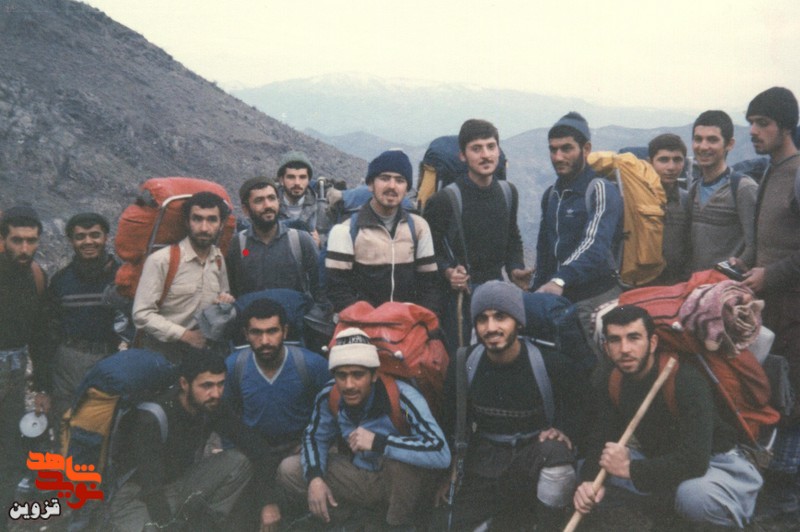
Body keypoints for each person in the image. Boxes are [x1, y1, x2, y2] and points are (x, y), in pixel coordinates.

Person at [574, 306, 762, 529]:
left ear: (652, 342)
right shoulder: (611, 379)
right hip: (663, 460)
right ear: (606, 347)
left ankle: (733, 521)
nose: (624, 349)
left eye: (634, 338)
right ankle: (667, 515)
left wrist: (631, 470)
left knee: (693, 497)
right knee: (586, 469)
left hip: (715, 463)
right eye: (615, 340)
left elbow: (695, 461)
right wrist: (590, 481)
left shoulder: (684, 379)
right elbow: (602, 438)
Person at [435, 281, 577, 531]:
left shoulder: (549, 363)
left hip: (534, 457)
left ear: (518, 322)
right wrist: (449, 473)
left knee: (557, 457)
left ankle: (548, 523)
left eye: (500, 317)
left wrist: (565, 431)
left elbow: (585, 408)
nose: (491, 328)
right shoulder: (465, 362)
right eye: (482, 319)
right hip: (486, 460)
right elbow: (450, 421)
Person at [277, 327, 451, 529]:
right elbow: (315, 437)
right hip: (360, 473)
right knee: (289, 470)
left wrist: (379, 442)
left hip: (399, 484)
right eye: (341, 376)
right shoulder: (330, 395)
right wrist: (315, 478)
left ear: (374, 375)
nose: (349, 385)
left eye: (358, 375)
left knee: (401, 465)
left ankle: (396, 525)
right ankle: (347, 518)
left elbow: (441, 452)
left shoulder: (402, 397)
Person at [732, 86, 800, 517]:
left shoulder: (797, 173)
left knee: (792, 397)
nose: (754, 131)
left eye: (763, 124)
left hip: (794, 310)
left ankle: (786, 494)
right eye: (751, 123)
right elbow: (768, 240)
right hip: (769, 309)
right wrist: (744, 262)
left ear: (786, 126)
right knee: (771, 390)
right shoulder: (771, 171)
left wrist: (769, 275)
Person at [109, 352, 255, 532]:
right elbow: (151, 487)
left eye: (221, 384)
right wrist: (167, 527)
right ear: (184, 383)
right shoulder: (152, 417)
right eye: (207, 385)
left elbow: (255, 445)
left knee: (238, 462)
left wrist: (268, 503)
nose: (216, 393)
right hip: (138, 496)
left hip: (179, 484)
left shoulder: (210, 403)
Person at [223, 298, 330, 531]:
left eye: (272, 331)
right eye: (256, 333)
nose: (265, 341)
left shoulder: (310, 365)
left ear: (285, 331)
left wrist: (310, 444)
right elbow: (228, 421)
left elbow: (329, 416)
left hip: (297, 451)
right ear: (245, 334)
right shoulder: (234, 367)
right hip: (254, 453)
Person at [423, 119, 531, 347]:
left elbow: (512, 237)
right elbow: (428, 252)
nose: (486, 155)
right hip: (460, 299)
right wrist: (448, 272)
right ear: (463, 156)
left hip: (496, 291)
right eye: (476, 148)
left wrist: (515, 268)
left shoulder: (508, 192)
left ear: (499, 151)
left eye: (491, 147)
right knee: (464, 358)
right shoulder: (445, 200)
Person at [326, 149, 443, 314]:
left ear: (407, 188)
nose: (392, 186)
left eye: (400, 180)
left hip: (407, 322)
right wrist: (371, 321)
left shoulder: (419, 227)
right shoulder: (345, 231)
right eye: (384, 178)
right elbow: (338, 291)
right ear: (370, 184)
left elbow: (429, 285)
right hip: (362, 323)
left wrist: (417, 321)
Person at [132, 191, 234, 363]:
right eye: (197, 219)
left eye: (212, 220)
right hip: (162, 355)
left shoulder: (218, 260)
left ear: (221, 224)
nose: (204, 228)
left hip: (202, 356)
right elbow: (142, 314)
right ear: (187, 222)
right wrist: (185, 335)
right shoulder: (162, 260)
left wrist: (223, 302)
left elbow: (222, 302)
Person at [532, 111, 623, 303]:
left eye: (567, 149)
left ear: (586, 148)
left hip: (596, 297)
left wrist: (560, 279)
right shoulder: (551, 194)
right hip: (559, 294)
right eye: (553, 150)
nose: (558, 157)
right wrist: (536, 288)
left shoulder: (600, 190)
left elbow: (595, 244)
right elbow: (544, 250)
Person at [0, 205, 51, 529]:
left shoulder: (36, 277)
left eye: (30, 241)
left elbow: (40, 336)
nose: (24, 248)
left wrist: (42, 387)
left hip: (15, 375)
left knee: (10, 448)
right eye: (16, 240)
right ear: (3, 239)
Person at [46, 213, 120, 435]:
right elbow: (49, 329)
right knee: (64, 423)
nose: (88, 241)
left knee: (101, 428)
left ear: (106, 237)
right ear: (71, 241)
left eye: (95, 235)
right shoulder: (60, 281)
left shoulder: (121, 277)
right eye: (80, 236)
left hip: (107, 358)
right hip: (68, 361)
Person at [226, 177, 319, 301]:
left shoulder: (300, 240)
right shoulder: (238, 244)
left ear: (278, 202)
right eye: (259, 200)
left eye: (271, 198)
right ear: (245, 209)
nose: (268, 205)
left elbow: (320, 291)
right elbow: (232, 291)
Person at [687, 110, 758, 272]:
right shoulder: (693, 190)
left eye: (712, 140)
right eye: (698, 139)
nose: (703, 146)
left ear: (729, 144)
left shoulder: (743, 188)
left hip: (727, 283)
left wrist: (737, 266)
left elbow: (755, 244)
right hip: (696, 283)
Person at [648, 134, 690, 284]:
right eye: (663, 160)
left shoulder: (687, 200)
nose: (671, 167)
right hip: (642, 281)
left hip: (676, 282)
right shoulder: (637, 200)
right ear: (650, 162)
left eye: (677, 160)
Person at [276, 150, 320, 246]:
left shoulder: (321, 207)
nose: (297, 183)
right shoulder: (269, 207)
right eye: (291, 177)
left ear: (309, 180)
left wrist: (320, 242)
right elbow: (247, 251)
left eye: (302, 177)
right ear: (281, 180)